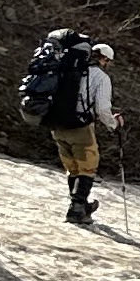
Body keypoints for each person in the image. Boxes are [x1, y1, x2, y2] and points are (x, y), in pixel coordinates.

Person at [55, 40, 118, 224]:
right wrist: (114, 124)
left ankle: (78, 206)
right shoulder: (101, 78)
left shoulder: (69, 70)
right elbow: (103, 108)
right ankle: (77, 209)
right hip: (80, 126)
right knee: (87, 166)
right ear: (104, 59)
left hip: (58, 124)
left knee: (72, 168)